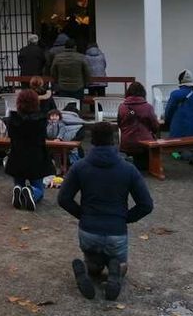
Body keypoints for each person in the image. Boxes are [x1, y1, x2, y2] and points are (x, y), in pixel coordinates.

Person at [58, 122, 153, 301]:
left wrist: (83, 214)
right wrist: (125, 218)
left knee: (94, 265)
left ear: (91, 141)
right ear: (114, 141)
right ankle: (115, 271)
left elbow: (63, 199)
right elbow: (146, 204)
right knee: (121, 263)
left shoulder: (80, 166)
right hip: (116, 232)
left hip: (88, 231)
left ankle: (87, 269)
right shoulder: (128, 169)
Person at [5, 89, 54, 211]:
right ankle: (32, 192)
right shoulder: (41, 120)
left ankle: (18, 188)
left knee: (19, 180)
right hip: (36, 156)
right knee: (39, 189)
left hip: (17, 155)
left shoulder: (12, 120)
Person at [164, 70, 193, 167]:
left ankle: (184, 153)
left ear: (180, 82)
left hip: (179, 133)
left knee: (178, 144)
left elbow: (168, 113)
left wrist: (170, 123)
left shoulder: (175, 94)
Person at [117, 82, 160, 171]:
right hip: (144, 144)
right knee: (144, 165)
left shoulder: (122, 107)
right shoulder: (148, 107)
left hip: (127, 143)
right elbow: (155, 126)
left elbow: (119, 124)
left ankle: (130, 163)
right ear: (143, 93)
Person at [51, 38, 92, 102]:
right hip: (78, 86)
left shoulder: (58, 57)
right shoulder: (81, 57)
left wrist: (57, 81)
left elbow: (53, 71)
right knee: (77, 106)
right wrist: (86, 83)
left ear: (65, 47)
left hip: (63, 86)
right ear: (75, 47)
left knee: (64, 107)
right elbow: (87, 71)